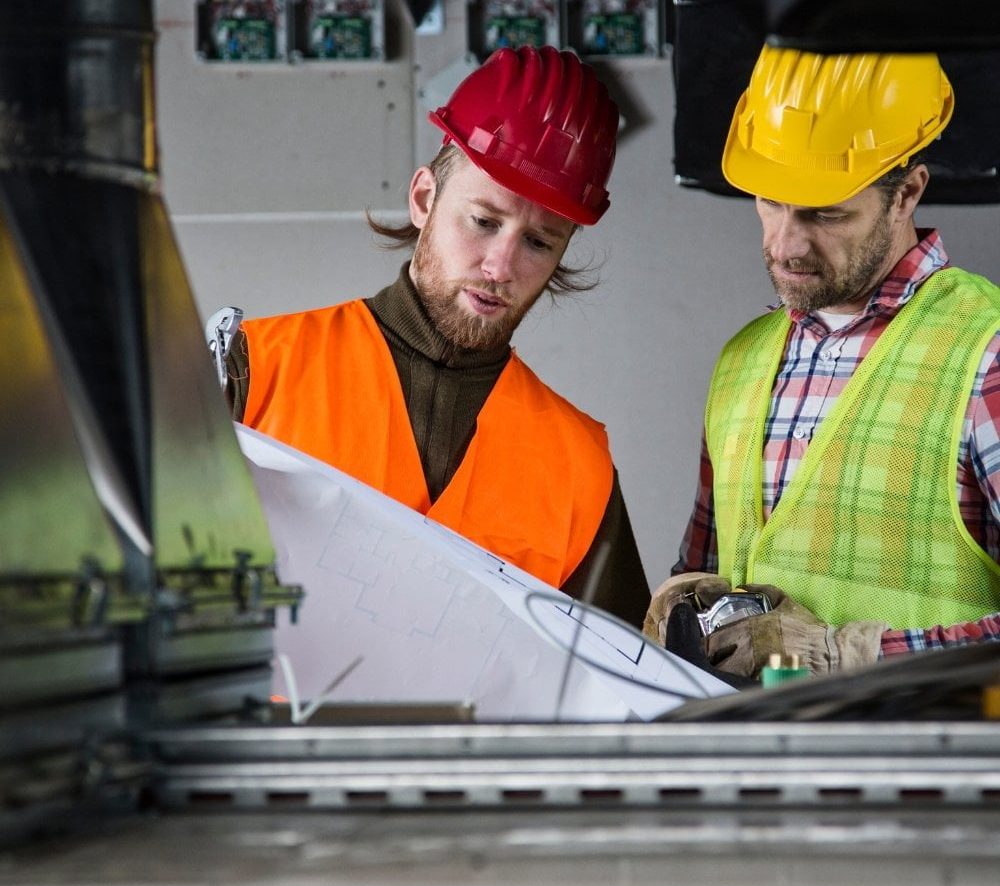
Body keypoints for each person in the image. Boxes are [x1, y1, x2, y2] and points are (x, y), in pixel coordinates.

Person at [223, 45, 650, 627]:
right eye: (484, 221)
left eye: (539, 242)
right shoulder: (254, 369)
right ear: (424, 198)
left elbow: (623, 690)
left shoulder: (581, 467)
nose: (500, 266)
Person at [644, 45, 1000, 679]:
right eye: (771, 201)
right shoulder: (743, 361)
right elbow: (711, 582)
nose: (785, 244)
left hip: (934, 772)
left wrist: (844, 657)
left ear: (906, 193)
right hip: (762, 771)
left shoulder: (986, 354)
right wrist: (684, 605)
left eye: (824, 211)